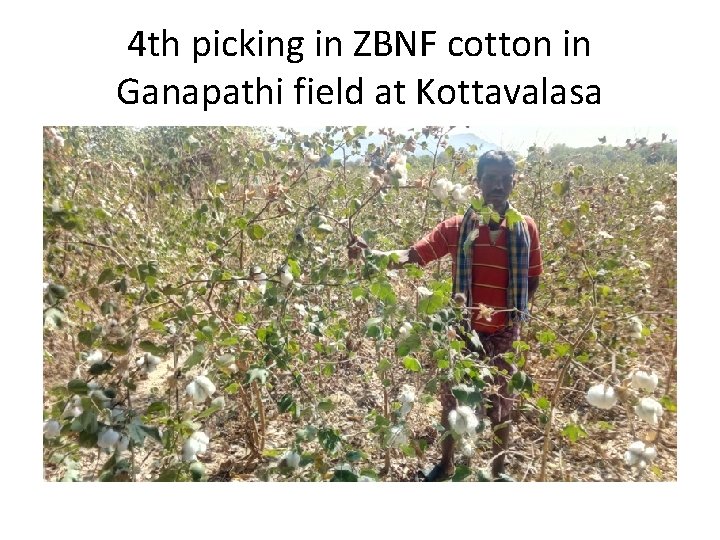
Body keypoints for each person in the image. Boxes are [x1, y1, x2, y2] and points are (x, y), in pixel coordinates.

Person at [348, 150, 543, 481]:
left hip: (505, 334)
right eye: (490, 179)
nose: (497, 186)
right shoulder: (456, 229)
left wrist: (512, 317)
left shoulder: (525, 229)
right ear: (477, 182)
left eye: (504, 179)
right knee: (452, 402)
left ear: (513, 182)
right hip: (462, 333)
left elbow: (533, 278)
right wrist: (373, 255)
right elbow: (413, 255)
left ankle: (497, 472)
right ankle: (446, 465)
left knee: (501, 405)